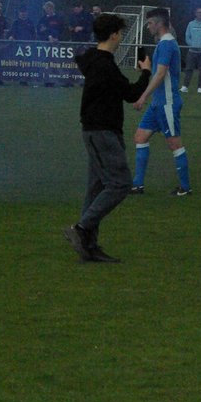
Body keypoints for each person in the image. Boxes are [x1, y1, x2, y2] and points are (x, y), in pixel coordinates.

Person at [62, 13, 152, 263]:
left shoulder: (93, 59)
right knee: (120, 183)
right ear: (113, 35)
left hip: (94, 130)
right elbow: (132, 94)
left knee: (97, 187)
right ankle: (80, 229)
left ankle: (89, 247)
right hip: (103, 132)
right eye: (120, 33)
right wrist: (146, 72)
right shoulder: (105, 65)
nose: (122, 37)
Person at [130, 8, 193, 197]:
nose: (148, 26)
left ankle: (185, 188)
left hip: (167, 103)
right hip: (158, 103)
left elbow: (161, 74)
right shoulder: (163, 44)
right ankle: (137, 185)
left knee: (174, 143)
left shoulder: (166, 44)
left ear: (159, 24)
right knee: (140, 137)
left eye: (149, 23)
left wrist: (143, 96)